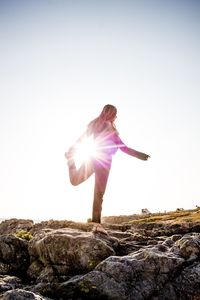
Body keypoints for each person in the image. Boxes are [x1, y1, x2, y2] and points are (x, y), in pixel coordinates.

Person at [65, 104, 150, 224]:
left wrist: (139, 155)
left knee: (99, 194)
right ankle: (70, 163)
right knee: (75, 181)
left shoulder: (113, 130)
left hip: (105, 163)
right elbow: (82, 138)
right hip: (94, 158)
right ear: (109, 113)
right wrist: (71, 151)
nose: (116, 117)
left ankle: (96, 223)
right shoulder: (95, 124)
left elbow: (123, 148)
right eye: (115, 114)